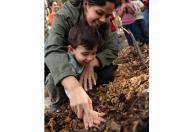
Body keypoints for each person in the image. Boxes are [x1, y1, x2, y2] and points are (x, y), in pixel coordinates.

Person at [45, 0, 119, 129]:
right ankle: (57, 103)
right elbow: (52, 49)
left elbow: (112, 49)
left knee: (108, 73)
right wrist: (74, 87)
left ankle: (85, 92)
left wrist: (90, 63)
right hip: (68, 61)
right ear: (86, 4)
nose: (103, 20)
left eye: (107, 15)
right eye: (99, 12)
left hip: (84, 61)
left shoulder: (103, 21)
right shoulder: (65, 16)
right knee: (52, 79)